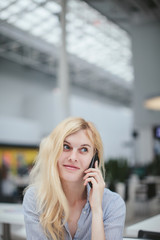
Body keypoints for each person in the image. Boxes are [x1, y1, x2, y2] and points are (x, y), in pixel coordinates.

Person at [23, 117, 126, 240]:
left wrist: (97, 210)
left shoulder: (112, 204)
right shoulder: (36, 199)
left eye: (84, 149)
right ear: (54, 151)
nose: (73, 157)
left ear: (94, 160)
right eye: (66, 147)